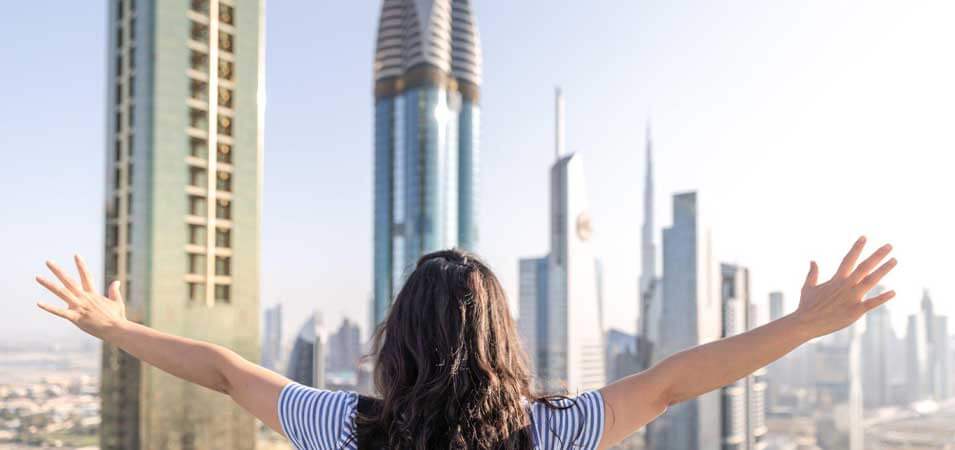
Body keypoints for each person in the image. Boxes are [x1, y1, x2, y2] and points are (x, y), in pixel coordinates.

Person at [35, 237, 896, 450]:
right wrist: (803, 324)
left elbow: (225, 373)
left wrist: (115, 327)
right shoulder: (549, 433)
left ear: (394, 342)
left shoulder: (345, 427)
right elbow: (670, 385)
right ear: (499, 341)